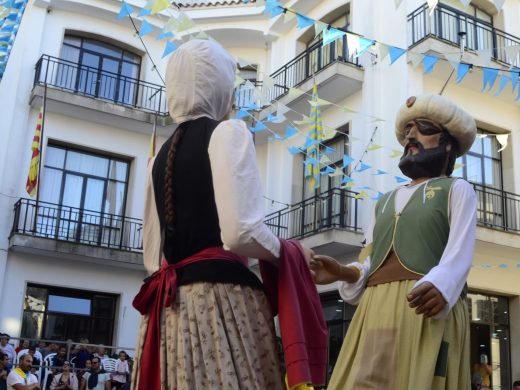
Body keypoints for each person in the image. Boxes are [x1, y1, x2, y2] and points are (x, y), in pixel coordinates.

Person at [131, 39, 324, 390]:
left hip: (170, 311)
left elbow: (152, 258)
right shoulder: (228, 132)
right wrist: (289, 251)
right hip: (221, 304)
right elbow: (240, 233)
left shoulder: (156, 158)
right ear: (219, 84)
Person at [311, 94, 477, 389]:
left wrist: (442, 285)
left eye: (423, 127)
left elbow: (460, 253)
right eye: (408, 129)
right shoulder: (384, 202)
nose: (410, 135)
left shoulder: (457, 189)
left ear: (448, 143)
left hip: (424, 305)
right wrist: (342, 272)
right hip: (375, 307)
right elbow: (369, 261)